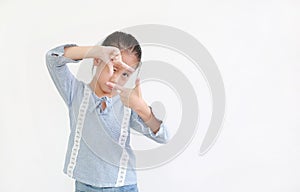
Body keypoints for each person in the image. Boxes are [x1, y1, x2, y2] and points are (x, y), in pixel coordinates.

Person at [45, 31, 170, 192]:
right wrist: (95, 50)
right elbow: (52, 58)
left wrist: (142, 109)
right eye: (114, 68)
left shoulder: (128, 103)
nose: (116, 78)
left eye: (125, 74)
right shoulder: (75, 92)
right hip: (86, 186)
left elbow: (164, 136)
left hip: (125, 186)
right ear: (98, 60)